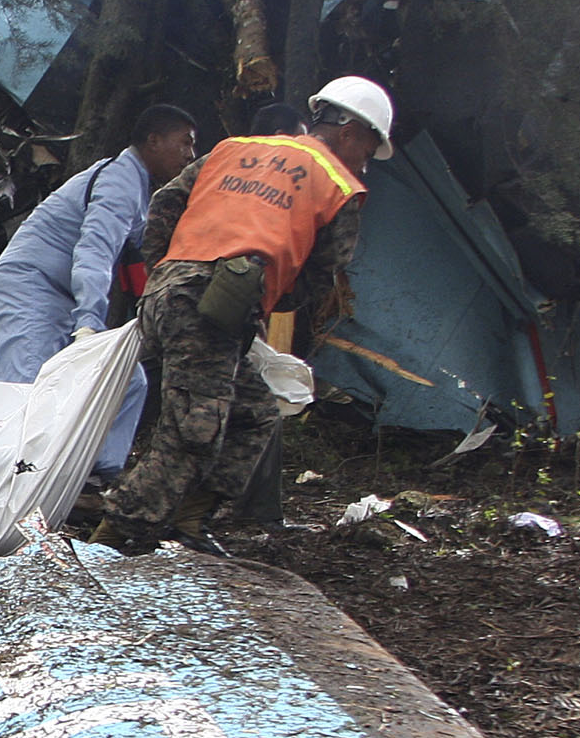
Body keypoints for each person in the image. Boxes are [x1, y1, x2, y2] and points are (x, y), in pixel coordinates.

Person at [104, 77, 393, 542]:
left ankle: (189, 521)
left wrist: (164, 272)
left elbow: (165, 202)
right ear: (349, 133)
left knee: (252, 413)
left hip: (174, 294)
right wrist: (267, 299)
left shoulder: (233, 148)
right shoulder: (339, 184)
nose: (365, 162)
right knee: (194, 431)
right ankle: (113, 535)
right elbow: (324, 272)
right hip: (212, 306)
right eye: (368, 148)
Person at [0, 105, 200, 475]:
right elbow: (94, 252)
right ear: (154, 141)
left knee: (128, 382)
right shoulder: (119, 182)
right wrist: (88, 324)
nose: (190, 155)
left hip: (64, 298)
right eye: (185, 143)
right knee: (26, 388)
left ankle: (94, 476)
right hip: (29, 287)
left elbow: (149, 254)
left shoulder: (139, 191)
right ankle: (7, 478)